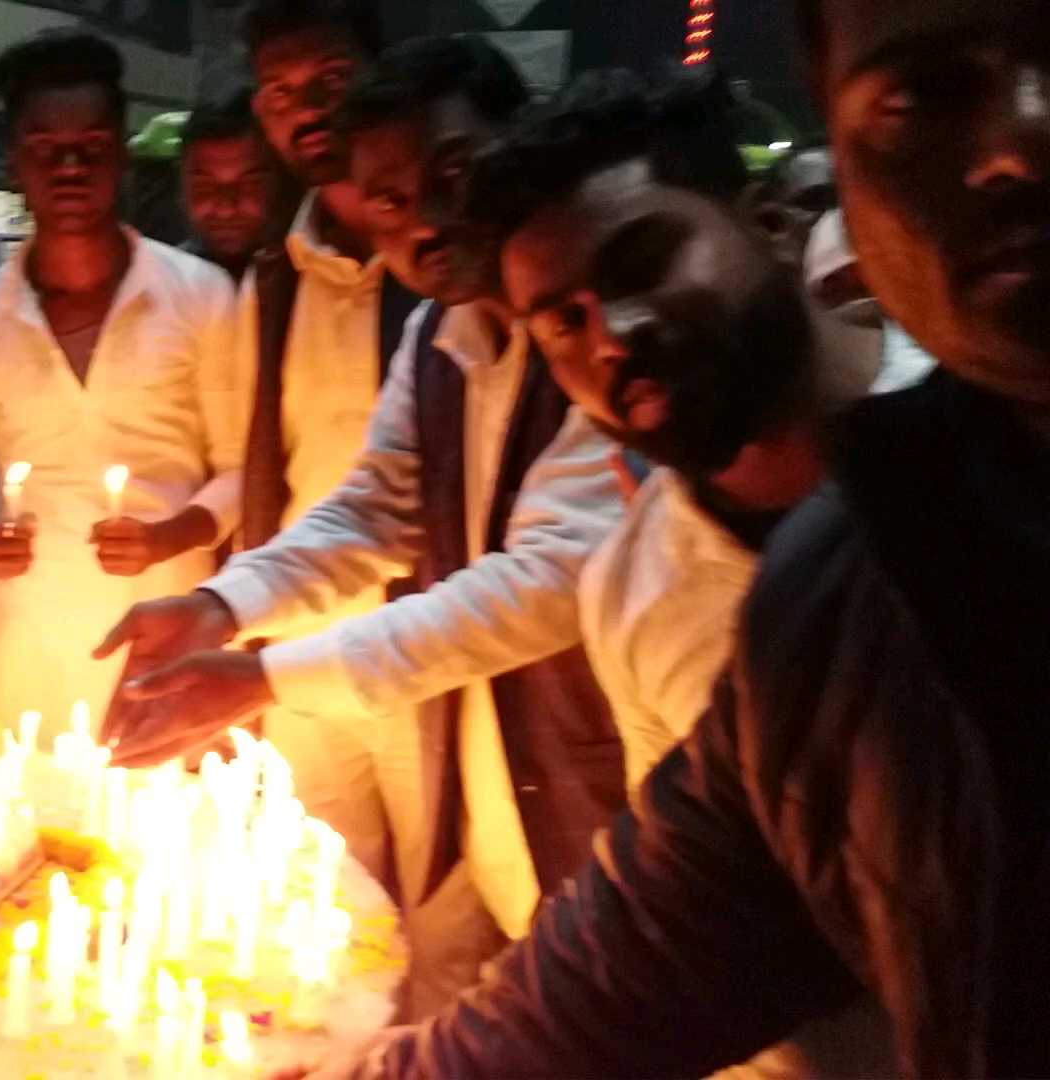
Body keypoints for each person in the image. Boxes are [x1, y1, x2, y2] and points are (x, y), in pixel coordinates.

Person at [282, 0, 1050, 1074]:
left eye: (648, 260)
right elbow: (666, 945)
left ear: (776, 224)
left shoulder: (951, 476)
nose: (617, 337)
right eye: (564, 321)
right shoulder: (718, 596)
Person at [101, 37, 628, 1018]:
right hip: (492, 788)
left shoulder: (598, 326)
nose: (423, 220)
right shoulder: (441, 335)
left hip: (613, 793)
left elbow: (551, 579)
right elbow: (371, 507)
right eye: (386, 200)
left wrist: (258, 675)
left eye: (452, 174)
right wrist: (221, 604)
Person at [102, 0, 420, 890]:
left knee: (448, 916)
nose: (306, 110)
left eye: (328, 80)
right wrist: (228, 613)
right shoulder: (277, 282)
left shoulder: (443, 271)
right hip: (302, 647)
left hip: (433, 645)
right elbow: (263, 471)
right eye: (280, 92)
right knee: (327, 900)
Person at [0, 29, 244, 738]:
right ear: (16, 162)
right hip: (32, 633)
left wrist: (168, 537)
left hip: (170, 620)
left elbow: (237, 472)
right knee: (42, 827)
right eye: (46, 149)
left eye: (91, 147)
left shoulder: (200, 296)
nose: (70, 167)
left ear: (120, 154)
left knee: (169, 827)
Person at [180, 88, 276, 280]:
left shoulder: (320, 282)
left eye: (250, 186)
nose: (226, 209)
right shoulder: (164, 284)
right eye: (204, 188)